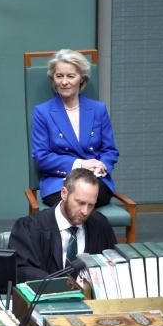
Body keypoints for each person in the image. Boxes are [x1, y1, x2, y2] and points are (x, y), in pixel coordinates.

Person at [31, 49, 119, 208]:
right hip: (59, 182)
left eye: (70, 76)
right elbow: (41, 157)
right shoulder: (42, 112)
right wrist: (81, 164)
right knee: (74, 202)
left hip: (94, 180)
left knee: (82, 200)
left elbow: (110, 151)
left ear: (82, 79)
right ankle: (92, 233)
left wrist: (101, 167)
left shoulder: (98, 110)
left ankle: (79, 233)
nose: (64, 82)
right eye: (59, 76)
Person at [8, 168, 116, 282]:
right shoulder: (29, 228)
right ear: (64, 193)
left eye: (91, 205)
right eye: (80, 203)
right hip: (45, 297)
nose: (85, 211)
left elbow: (112, 267)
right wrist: (58, 286)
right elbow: (21, 271)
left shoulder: (101, 225)